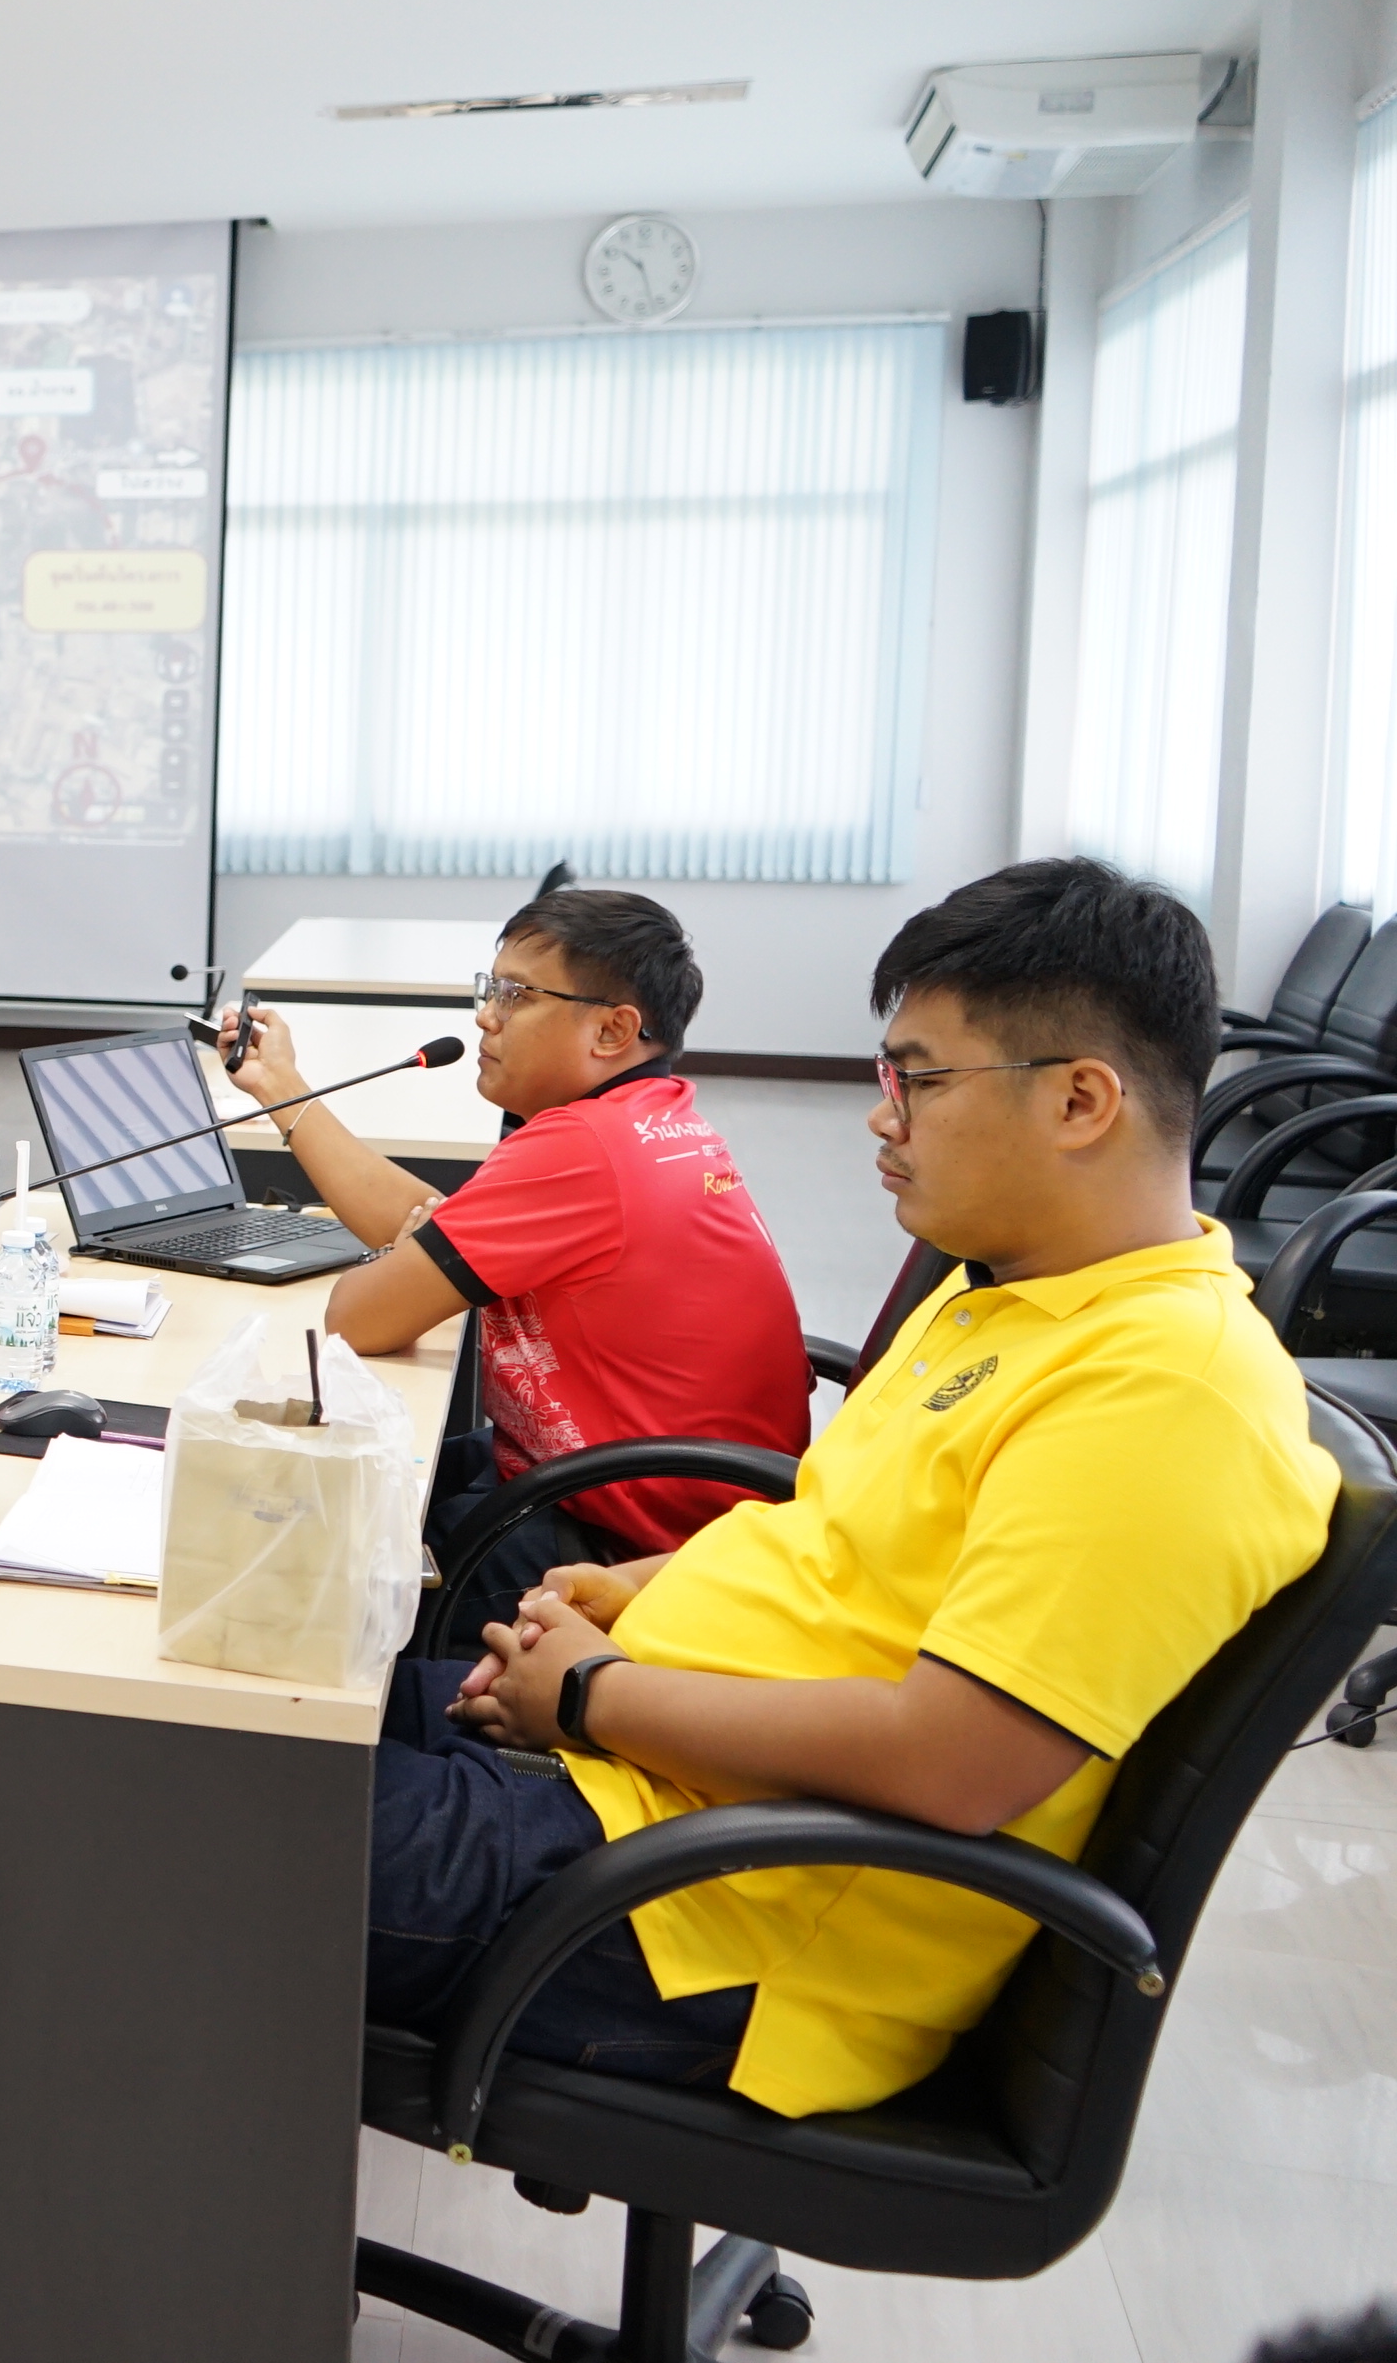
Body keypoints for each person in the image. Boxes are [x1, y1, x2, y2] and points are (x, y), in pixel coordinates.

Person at [373, 858, 1336, 2115]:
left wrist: (597, 1694)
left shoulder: (1168, 1391)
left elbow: (955, 1763)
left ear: (1081, 1099)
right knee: (250, 1714)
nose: (883, 1119)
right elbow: (837, 1534)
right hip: (650, 1785)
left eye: (919, 1080)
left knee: (181, 1813)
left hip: (699, 1907)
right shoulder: (1009, 1292)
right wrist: (637, 1587)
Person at [223, 887, 809, 1624]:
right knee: (349, 1478)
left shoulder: (579, 1148)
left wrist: (403, 1264)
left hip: (619, 1548)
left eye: (517, 996)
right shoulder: (645, 1122)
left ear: (612, 1030)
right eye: (491, 988)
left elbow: (359, 1319)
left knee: (296, 1562)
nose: (486, 1016)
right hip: (665, 1507)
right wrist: (280, 1087)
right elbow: (430, 1225)